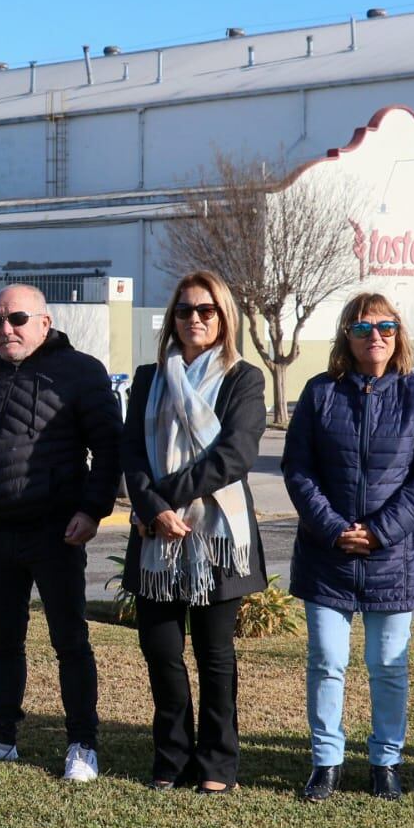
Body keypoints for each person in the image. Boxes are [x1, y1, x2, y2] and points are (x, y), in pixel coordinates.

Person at [0, 284, 123, 783]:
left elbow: (109, 449)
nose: (4, 330)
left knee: (69, 642)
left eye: (16, 320)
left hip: (57, 531)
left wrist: (93, 510)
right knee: (2, 642)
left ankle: (81, 743)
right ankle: (0, 736)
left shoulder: (79, 371)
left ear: (45, 323)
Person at [282, 292, 414, 802]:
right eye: (361, 328)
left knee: (388, 665)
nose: (374, 335)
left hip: (394, 558)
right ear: (346, 338)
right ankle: (326, 762)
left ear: (398, 334)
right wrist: (334, 528)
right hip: (327, 556)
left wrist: (380, 531)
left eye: (385, 325)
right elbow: (298, 469)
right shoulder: (318, 393)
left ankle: (386, 762)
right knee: (327, 659)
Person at [120, 271, 267, 794]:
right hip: (155, 534)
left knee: (214, 655)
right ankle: (172, 756)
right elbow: (131, 453)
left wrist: (168, 496)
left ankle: (217, 764)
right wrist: (153, 507)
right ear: (173, 318)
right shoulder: (148, 377)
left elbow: (236, 454)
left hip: (217, 538)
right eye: (185, 310)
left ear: (224, 317)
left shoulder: (243, 378)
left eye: (207, 310)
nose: (196, 319)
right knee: (161, 652)